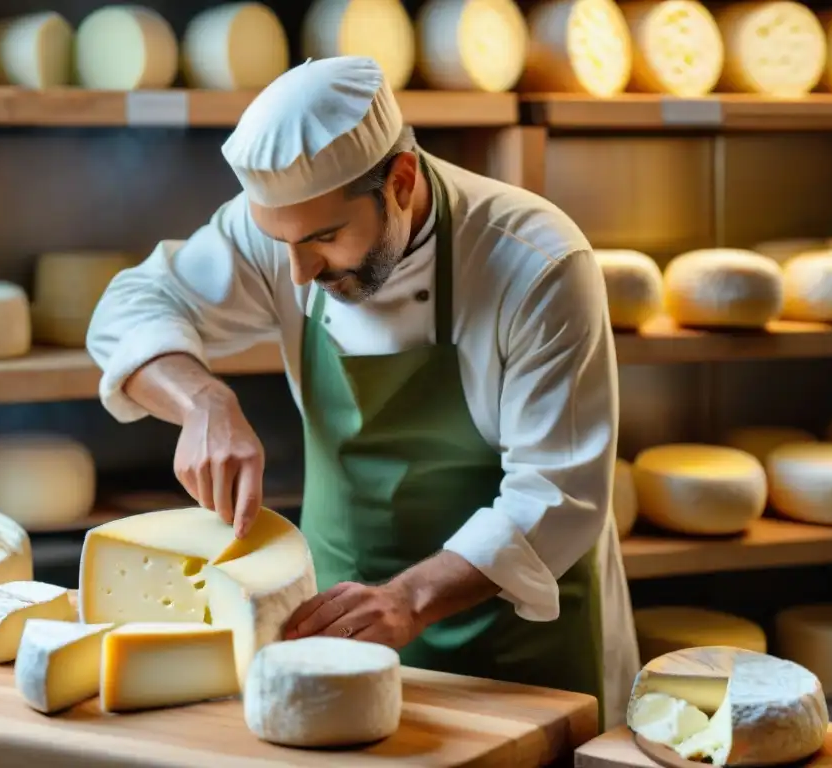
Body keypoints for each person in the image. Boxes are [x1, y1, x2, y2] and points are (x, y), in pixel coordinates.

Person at [86, 55, 639, 729]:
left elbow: (557, 492)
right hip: (334, 630)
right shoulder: (289, 229)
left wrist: (408, 599)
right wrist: (202, 399)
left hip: (515, 639)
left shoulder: (536, 263)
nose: (298, 269)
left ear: (401, 181)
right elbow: (133, 304)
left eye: (325, 238)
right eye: (279, 240)